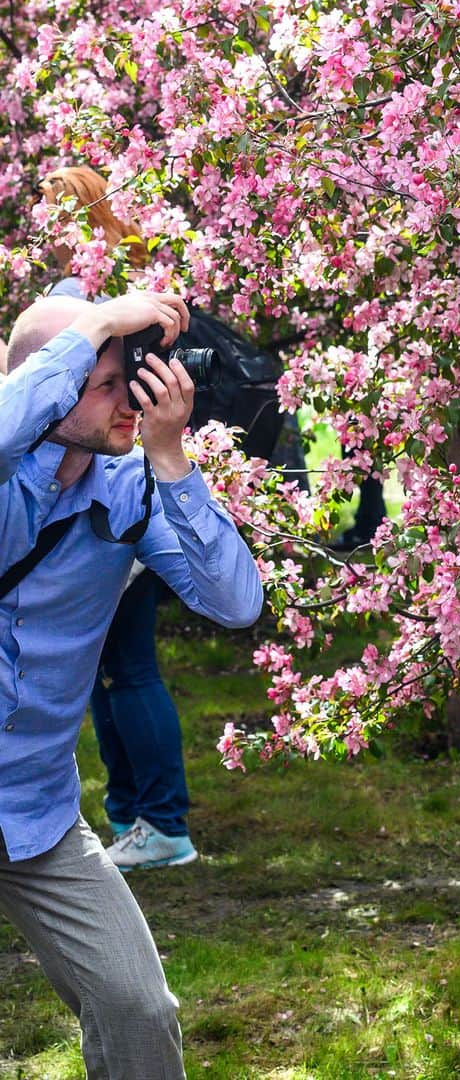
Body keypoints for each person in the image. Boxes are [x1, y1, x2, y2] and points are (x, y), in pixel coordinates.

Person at [0, 292, 263, 1077]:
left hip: (35, 814)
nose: (133, 397)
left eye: (137, 375)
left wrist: (172, 459)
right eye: (105, 380)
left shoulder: (127, 489)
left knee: (140, 1010)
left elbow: (236, 602)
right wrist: (94, 325)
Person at [41, 166, 192, 868]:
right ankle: (134, 813)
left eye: (50, 215)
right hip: (111, 502)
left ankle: (161, 821)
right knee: (113, 670)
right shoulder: (121, 294)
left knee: (128, 668)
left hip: (106, 507)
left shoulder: (83, 301)